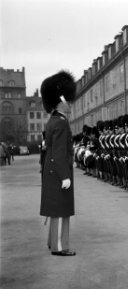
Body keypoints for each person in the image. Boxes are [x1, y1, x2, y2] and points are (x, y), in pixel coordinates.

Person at [40, 70, 76, 256]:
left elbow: (49, 151)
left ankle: (52, 241)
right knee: (61, 209)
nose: (70, 103)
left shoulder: (52, 120)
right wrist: (65, 176)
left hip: (50, 170)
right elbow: (59, 153)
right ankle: (59, 246)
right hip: (58, 171)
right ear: (60, 100)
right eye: (68, 100)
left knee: (55, 209)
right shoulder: (61, 123)